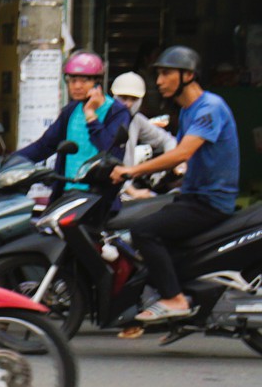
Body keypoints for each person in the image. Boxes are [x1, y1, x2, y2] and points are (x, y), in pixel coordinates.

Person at [109, 46, 242, 324]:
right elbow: (182, 158)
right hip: (192, 194)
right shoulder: (187, 112)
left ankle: (175, 298)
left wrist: (132, 170)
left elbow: (182, 153)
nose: (158, 81)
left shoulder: (209, 108)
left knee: (143, 231)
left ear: (188, 75)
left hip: (209, 202)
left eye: (166, 74)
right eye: (157, 74)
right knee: (147, 215)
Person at [16, 51, 128, 187]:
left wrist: (91, 115)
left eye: (84, 80)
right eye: (72, 80)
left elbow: (109, 150)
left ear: (97, 82)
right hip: (68, 192)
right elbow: (44, 145)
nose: (77, 86)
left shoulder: (116, 112)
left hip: (97, 196)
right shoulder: (71, 110)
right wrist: (10, 162)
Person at [109, 72, 178, 167]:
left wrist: (172, 163)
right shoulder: (100, 116)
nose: (128, 104)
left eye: (133, 99)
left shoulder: (137, 120)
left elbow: (167, 140)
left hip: (125, 179)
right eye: (123, 98)